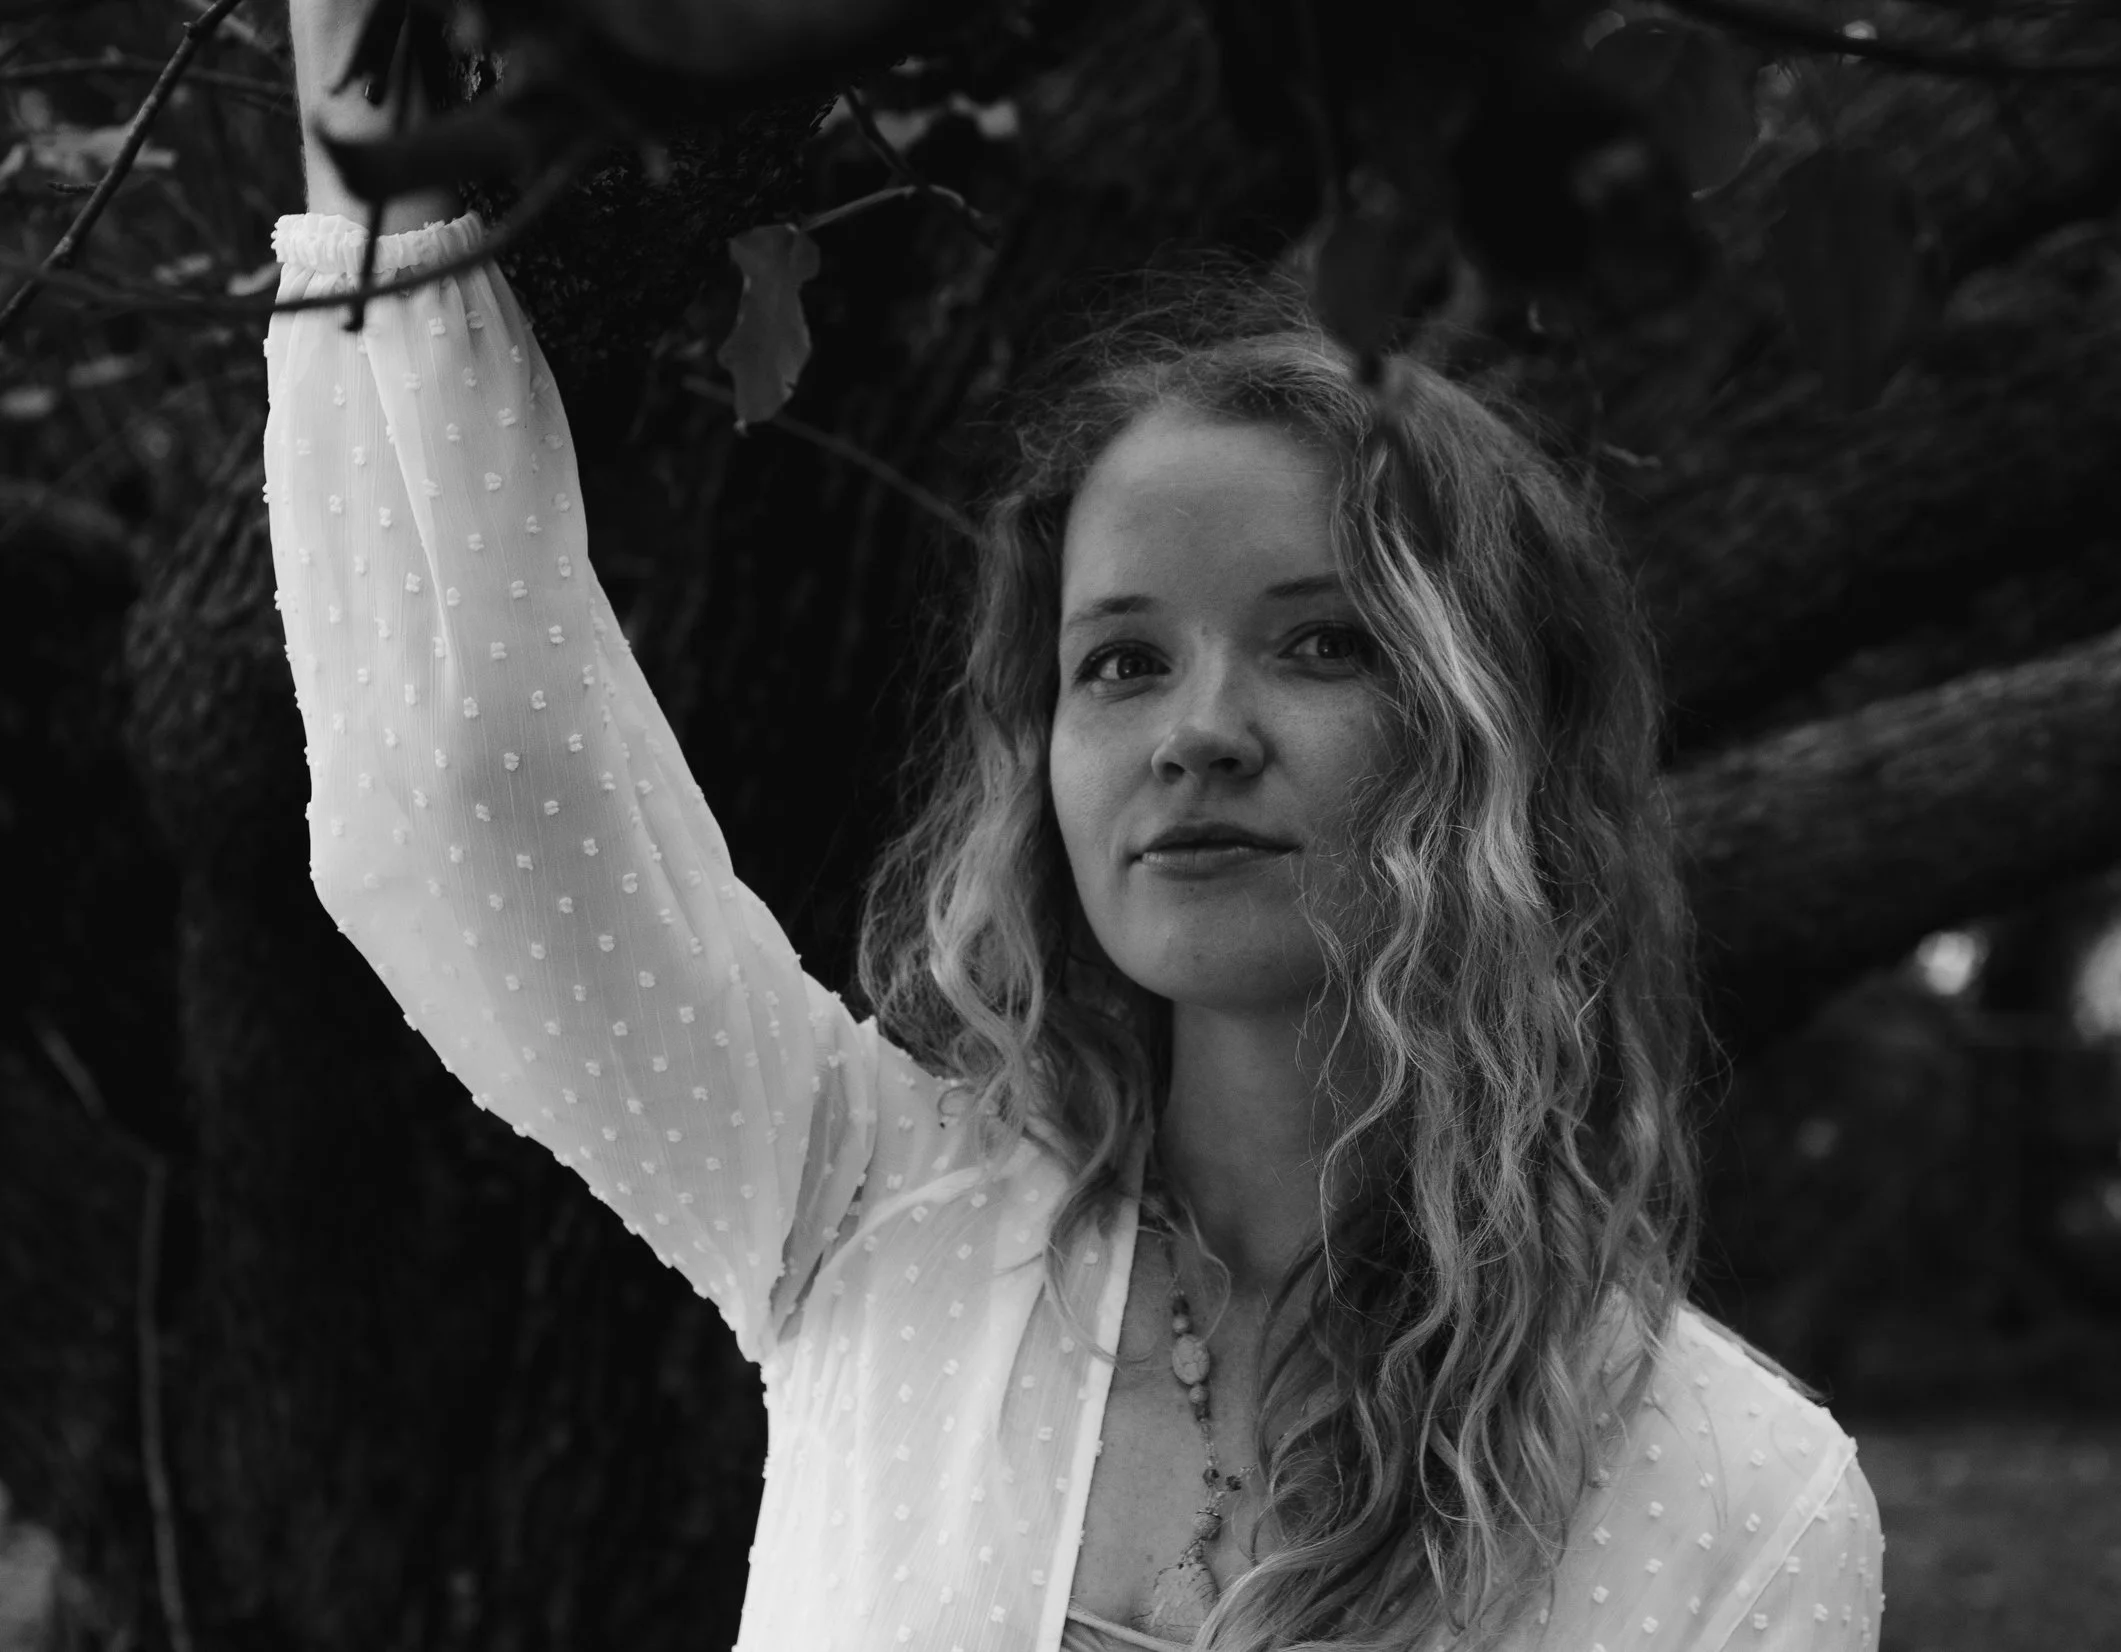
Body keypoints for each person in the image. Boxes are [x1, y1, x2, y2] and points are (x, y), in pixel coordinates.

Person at [268, 4, 1882, 1648]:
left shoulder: (1741, 1500)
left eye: (1324, 642)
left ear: (1501, 731)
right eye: (1119, 661)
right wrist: (370, 129)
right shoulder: (867, 1211)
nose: (1195, 733)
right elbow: (472, 787)